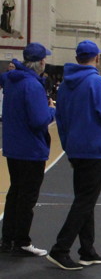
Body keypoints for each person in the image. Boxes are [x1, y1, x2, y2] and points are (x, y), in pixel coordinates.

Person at [46, 40, 101, 271]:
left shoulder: (65, 85)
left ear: (77, 57)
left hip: (76, 148)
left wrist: (68, 145)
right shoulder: (97, 82)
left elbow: (60, 118)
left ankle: (87, 250)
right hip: (95, 149)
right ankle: (60, 249)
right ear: (97, 57)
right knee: (85, 201)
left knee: (85, 198)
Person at [1, 42, 56, 257]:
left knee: (15, 193)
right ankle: (22, 241)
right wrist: (52, 110)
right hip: (31, 149)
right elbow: (39, 120)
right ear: (40, 62)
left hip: (13, 146)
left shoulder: (11, 80)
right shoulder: (32, 86)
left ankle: (7, 239)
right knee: (27, 197)